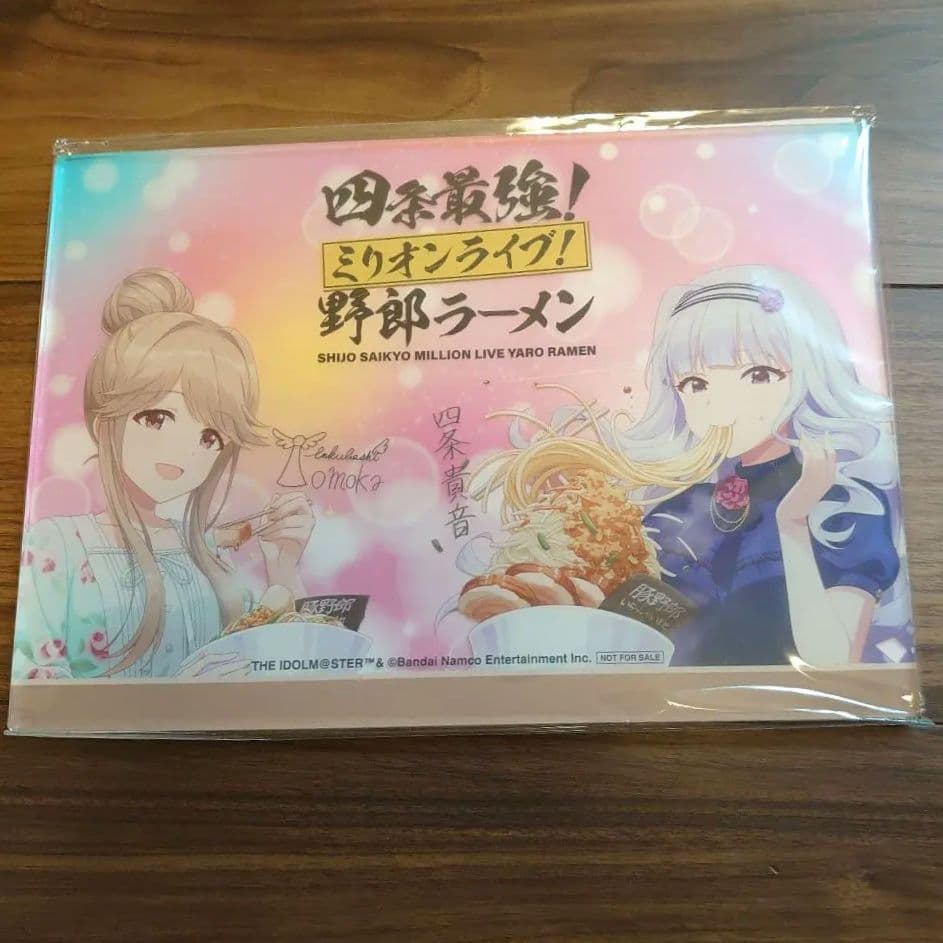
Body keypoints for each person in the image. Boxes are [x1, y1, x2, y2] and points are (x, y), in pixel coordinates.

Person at [13, 268, 316, 680]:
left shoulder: (209, 556)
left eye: (209, 436)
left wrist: (283, 569)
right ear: (105, 420)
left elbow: (277, 670)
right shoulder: (58, 547)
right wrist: (176, 696)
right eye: (156, 418)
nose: (183, 450)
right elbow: (37, 691)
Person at [623, 265, 911, 667]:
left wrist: (792, 523)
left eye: (759, 374)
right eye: (695, 384)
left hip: (798, 703)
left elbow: (832, 662)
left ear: (808, 376)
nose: (722, 406)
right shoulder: (678, 512)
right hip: (676, 704)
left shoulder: (843, 505)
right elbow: (637, 645)